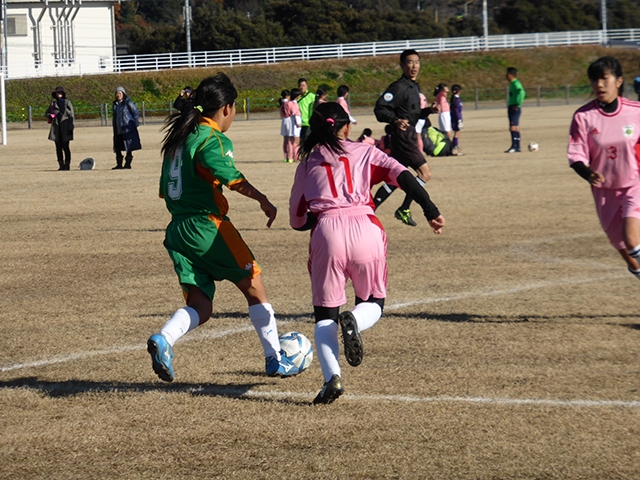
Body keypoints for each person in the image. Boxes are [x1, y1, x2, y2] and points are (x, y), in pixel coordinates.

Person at [147, 73, 301, 382]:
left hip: (177, 230)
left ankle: (164, 337)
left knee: (200, 304)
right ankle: (275, 359)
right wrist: (262, 198)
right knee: (254, 284)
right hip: (207, 226)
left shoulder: (179, 139)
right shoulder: (211, 137)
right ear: (227, 108)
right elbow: (230, 177)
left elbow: (166, 190)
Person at [289, 102, 445, 405]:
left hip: (327, 232)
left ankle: (332, 378)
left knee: (325, 315)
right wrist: (430, 210)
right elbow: (405, 178)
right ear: (346, 127)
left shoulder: (307, 163)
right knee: (373, 301)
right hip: (366, 227)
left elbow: (297, 220)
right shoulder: (366, 151)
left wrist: (318, 217)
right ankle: (356, 322)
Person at [568, 56, 640, 284]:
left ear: (618, 81)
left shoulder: (636, 111)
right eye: (594, 80)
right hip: (604, 192)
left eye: (604, 79)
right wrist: (588, 174)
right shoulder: (583, 117)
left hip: (634, 184)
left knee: (631, 238)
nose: (599, 85)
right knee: (628, 255)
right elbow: (576, 155)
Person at [372, 49, 439, 227]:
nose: (414, 65)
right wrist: (394, 120)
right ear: (402, 65)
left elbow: (413, 115)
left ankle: (370, 209)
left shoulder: (413, 87)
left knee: (395, 177)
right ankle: (404, 208)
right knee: (425, 174)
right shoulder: (399, 87)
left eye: (417, 62)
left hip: (407, 134)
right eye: (409, 62)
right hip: (403, 137)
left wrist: (429, 111)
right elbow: (380, 109)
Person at [112, 86, 141, 169]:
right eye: (117, 93)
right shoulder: (115, 105)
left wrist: (134, 124)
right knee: (118, 147)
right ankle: (119, 164)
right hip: (118, 129)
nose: (118, 95)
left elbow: (135, 113)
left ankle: (128, 164)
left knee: (128, 146)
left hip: (127, 129)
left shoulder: (128, 103)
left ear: (123, 94)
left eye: (120, 93)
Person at [46, 86, 74, 171]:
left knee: (66, 148)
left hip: (65, 129)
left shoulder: (67, 102)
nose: (59, 94)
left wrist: (71, 127)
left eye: (60, 93)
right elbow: (47, 113)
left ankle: (67, 165)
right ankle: (61, 165)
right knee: (58, 148)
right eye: (58, 93)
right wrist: (51, 116)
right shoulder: (53, 104)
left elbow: (71, 115)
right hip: (56, 129)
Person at [506, 67, 525, 153]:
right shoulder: (512, 83)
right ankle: (517, 146)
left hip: (514, 107)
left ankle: (514, 146)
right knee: (515, 127)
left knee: (513, 127)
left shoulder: (516, 83)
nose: (506, 76)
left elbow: (521, 92)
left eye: (507, 74)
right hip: (512, 106)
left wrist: (518, 103)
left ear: (511, 75)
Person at [449, 84, 464, 155]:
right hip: (456, 119)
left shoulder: (456, 99)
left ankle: (456, 147)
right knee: (457, 134)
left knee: (457, 133)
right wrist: (459, 120)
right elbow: (456, 111)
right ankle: (454, 149)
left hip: (456, 118)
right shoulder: (456, 100)